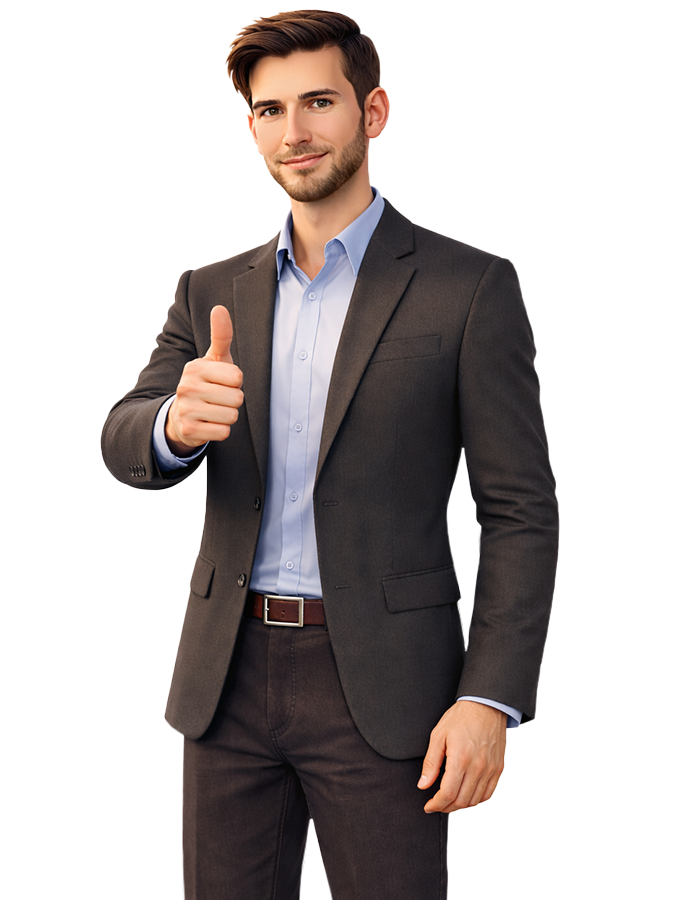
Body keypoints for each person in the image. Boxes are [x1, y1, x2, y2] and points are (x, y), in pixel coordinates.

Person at [100, 9, 560, 899]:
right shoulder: (210, 291)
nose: (293, 132)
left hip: (391, 691)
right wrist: (172, 426)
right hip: (223, 681)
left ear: (374, 111)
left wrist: (489, 697)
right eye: (268, 110)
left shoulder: (470, 289)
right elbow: (122, 437)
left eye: (318, 102)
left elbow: (521, 511)